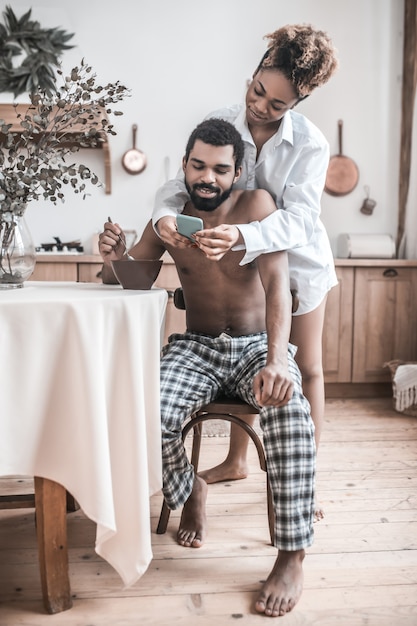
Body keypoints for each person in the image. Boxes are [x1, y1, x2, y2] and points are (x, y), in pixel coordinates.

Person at [99, 118, 316, 618]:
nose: (207, 178)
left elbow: (278, 285)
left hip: (256, 345)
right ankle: (189, 485)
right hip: (195, 346)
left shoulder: (257, 208)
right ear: (184, 165)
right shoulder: (169, 218)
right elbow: (133, 280)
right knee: (146, 410)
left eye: (220, 169)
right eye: (198, 165)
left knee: (290, 414)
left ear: (238, 172)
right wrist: (112, 258)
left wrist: (279, 361)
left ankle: (291, 554)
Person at [151, 25, 338, 517]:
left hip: (295, 261)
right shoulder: (220, 121)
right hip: (238, 259)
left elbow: (299, 220)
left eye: (277, 104)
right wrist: (164, 219)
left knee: (303, 367)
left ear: (299, 101)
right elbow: (180, 184)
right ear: (254, 73)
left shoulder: (310, 145)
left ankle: (306, 479)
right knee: (244, 358)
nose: (261, 106)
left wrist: (242, 235)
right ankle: (237, 461)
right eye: (258, 90)